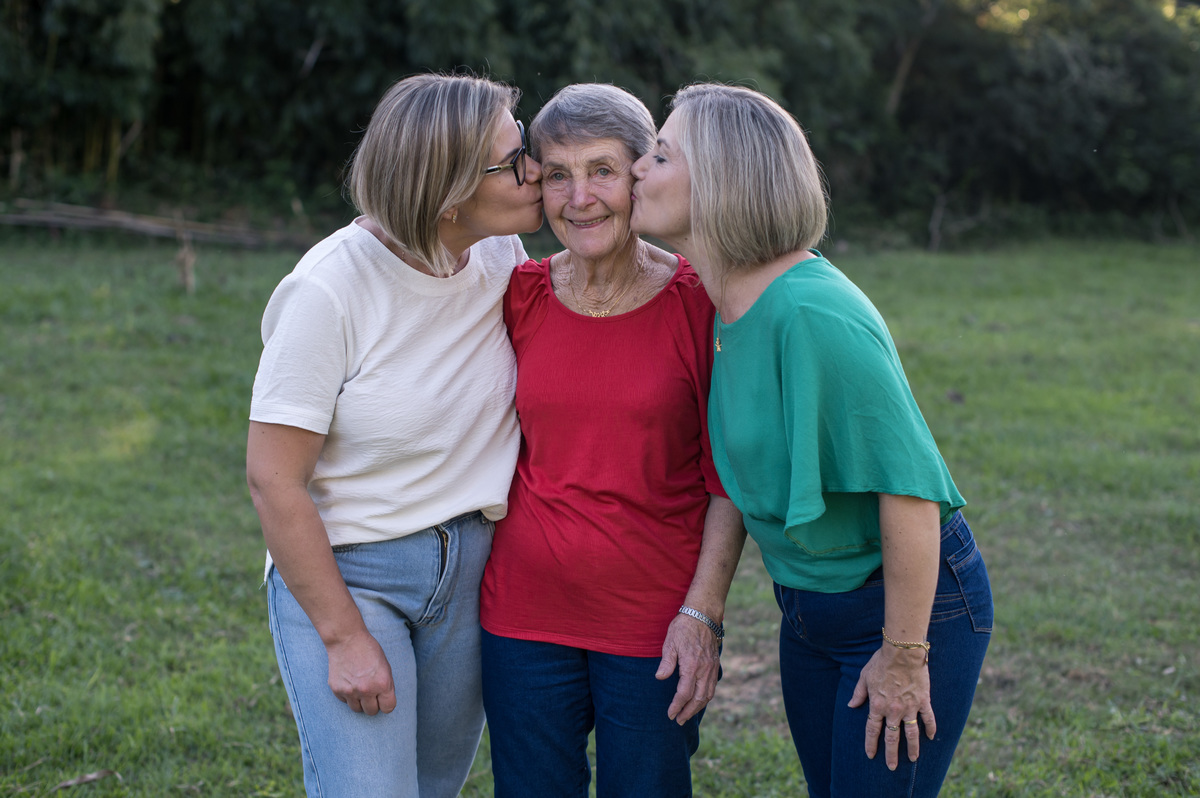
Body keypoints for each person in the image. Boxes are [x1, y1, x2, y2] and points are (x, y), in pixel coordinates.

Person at [630, 82, 993, 797]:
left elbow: (912, 495)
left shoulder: (814, 314)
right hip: (807, 613)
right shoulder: (721, 301)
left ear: (724, 180)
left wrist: (904, 655)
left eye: (660, 154)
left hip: (904, 613)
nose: (639, 167)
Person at [245, 73, 543, 798]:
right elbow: (272, 478)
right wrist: (344, 637)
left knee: (435, 787)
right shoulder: (328, 291)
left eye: (524, 146)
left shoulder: (501, 257)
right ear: (446, 193)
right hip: (356, 576)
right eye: (514, 163)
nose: (535, 171)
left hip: (474, 570)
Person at [478, 83, 746, 798]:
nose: (579, 198)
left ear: (639, 175)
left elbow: (729, 479)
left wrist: (703, 613)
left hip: (654, 622)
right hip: (522, 615)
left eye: (601, 170)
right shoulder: (519, 294)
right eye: (558, 174)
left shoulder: (698, 304)